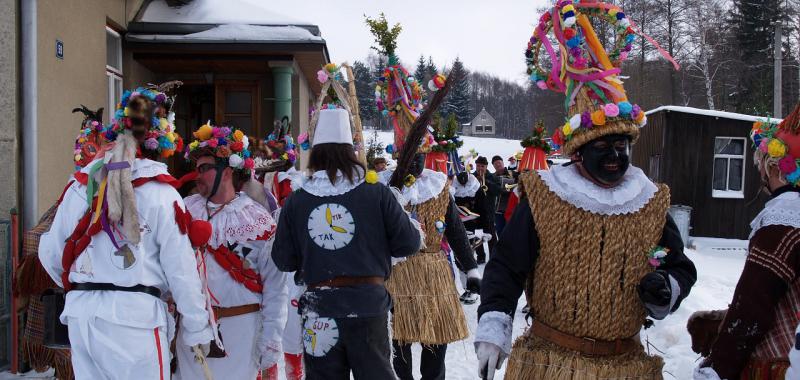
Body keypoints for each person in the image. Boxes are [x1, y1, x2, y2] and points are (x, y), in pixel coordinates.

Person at [475, 3, 696, 378]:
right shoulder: (549, 196)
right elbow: (508, 266)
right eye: (601, 149)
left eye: (621, 148)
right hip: (551, 362)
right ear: (578, 154)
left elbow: (678, 264)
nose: (614, 157)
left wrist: (668, 287)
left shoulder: (647, 201)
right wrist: (494, 329)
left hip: (624, 364)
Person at [38, 87, 212, 380]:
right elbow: (181, 269)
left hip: (83, 317)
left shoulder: (81, 186)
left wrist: (91, 283)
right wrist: (197, 327)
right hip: (136, 321)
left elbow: (51, 254)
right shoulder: (161, 194)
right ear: (161, 142)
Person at [272, 108, 422, 379]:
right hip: (367, 307)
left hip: (319, 311)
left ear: (316, 152)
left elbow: (283, 260)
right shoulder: (377, 193)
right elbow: (408, 244)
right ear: (351, 151)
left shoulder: (297, 200)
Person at [693, 105, 800, 379]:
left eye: (762, 163)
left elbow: (755, 304)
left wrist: (719, 366)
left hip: (779, 364)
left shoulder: (782, 222)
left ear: (774, 166)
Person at [175, 123, 288, 380]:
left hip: (242, 330)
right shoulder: (183, 210)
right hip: (193, 330)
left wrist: (271, 336)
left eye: (204, 168)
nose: (197, 175)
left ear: (226, 172)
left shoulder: (256, 219)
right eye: (196, 169)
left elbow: (275, 284)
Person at [473, 156, 501, 264]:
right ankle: (481, 256)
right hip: (476, 212)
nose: (480, 168)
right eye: (478, 166)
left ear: (486, 167)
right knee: (477, 235)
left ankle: (493, 258)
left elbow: (498, 190)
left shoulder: (492, 176)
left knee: (491, 236)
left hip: (488, 211)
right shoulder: (472, 176)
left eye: (482, 166)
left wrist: (487, 183)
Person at [492, 155, 515, 236]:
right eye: (495, 164)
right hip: (498, 212)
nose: (498, 165)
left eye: (499, 162)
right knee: (500, 232)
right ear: (493, 166)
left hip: (511, 210)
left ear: (503, 162)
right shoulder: (492, 177)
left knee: (512, 232)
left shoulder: (513, 173)